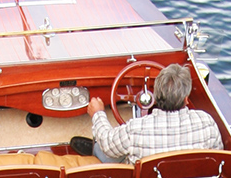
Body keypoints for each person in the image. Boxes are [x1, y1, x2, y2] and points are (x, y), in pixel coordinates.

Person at [73, 64, 222, 164]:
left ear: (155, 95)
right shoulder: (207, 123)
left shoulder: (136, 130)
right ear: (186, 99)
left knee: (104, 149)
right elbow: (217, 156)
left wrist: (98, 113)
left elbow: (107, 144)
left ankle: (94, 150)